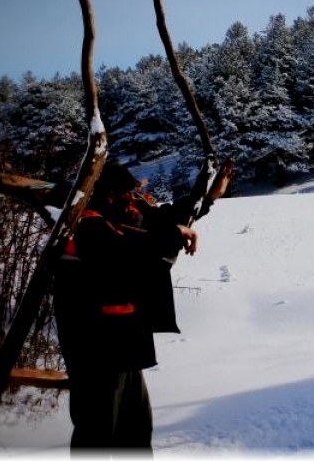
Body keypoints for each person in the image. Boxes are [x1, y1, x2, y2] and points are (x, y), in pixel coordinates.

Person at [52, 160, 231, 452]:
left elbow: (162, 218)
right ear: (109, 194)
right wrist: (174, 234)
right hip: (95, 350)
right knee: (97, 434)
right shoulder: (82, 225)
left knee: (135, 432)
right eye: (128, 193)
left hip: (124, 345)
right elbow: (125, 255)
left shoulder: (121, 213)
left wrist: (209, 196)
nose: (134, 199)